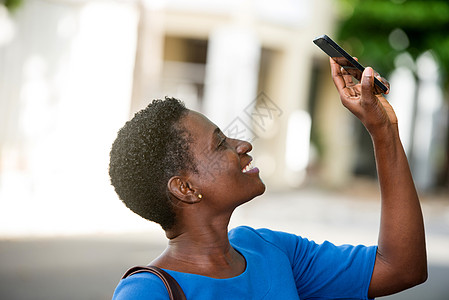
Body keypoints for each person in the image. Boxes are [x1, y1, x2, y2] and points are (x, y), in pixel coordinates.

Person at [109, 58, 427, 299]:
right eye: (220, 144)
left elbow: (402, 268)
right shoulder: (146, 293)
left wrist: (384, 130)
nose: (243, 144)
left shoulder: (270, 249)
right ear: (186, 188)